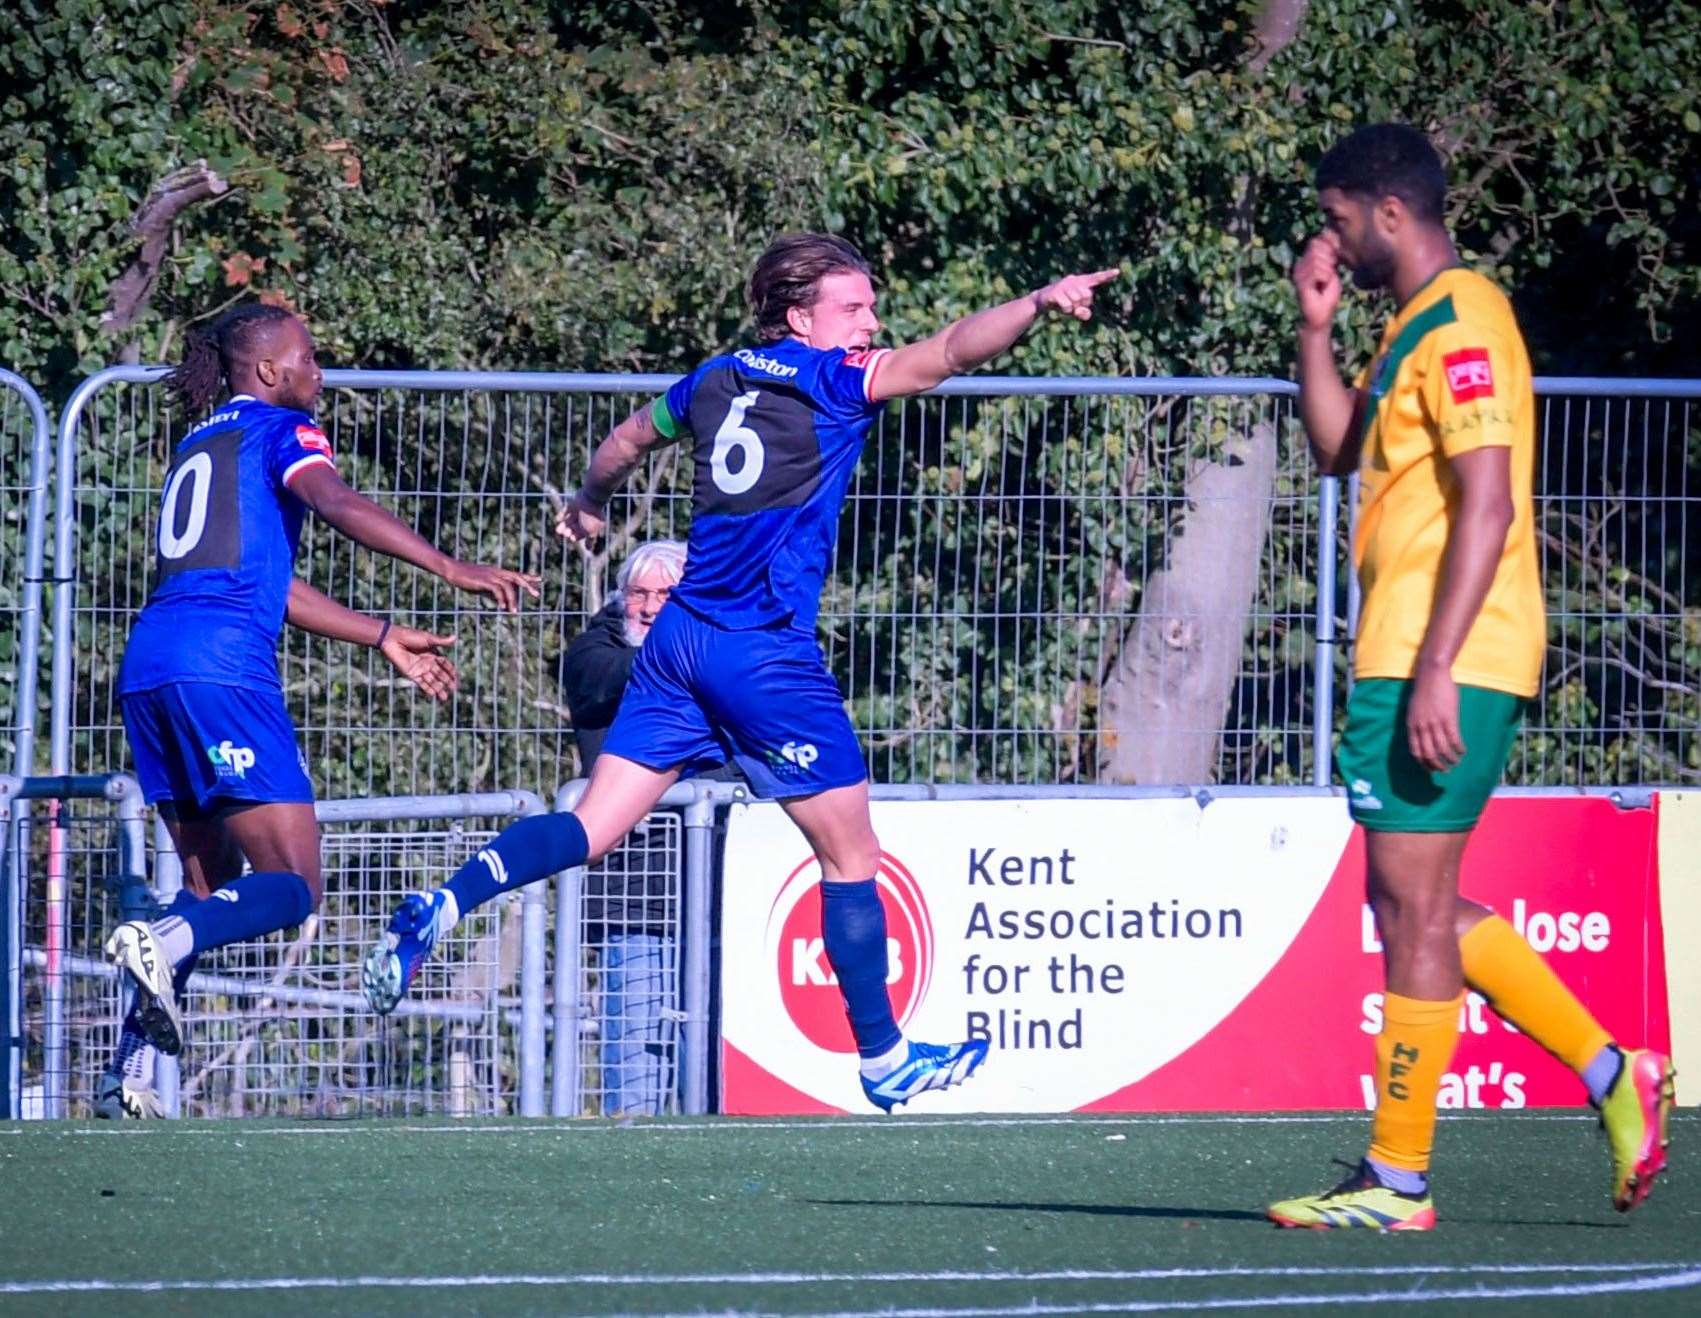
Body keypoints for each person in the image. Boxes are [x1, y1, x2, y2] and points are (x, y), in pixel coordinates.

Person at [366, 233, 1119, 1112]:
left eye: (870, 308)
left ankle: (444, 905)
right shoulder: (837, 380)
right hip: (760, 650)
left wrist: (591, 503)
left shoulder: (714, 379)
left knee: (592, 827)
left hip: (678, 643)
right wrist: (1035, 302)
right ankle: (882, 1056)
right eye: (853, 308)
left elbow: (621, 439)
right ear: (801, 316)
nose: (871, 322)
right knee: (850, 855)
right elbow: (952, 350)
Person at [1267, 124, 1674, 1229]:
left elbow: (1490, 502)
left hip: (1442, 652)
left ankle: (1399, 1178)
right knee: (1417, 904)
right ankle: (1607, 1072)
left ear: (1388, 212)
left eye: (1339, 215)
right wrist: (1315, 330)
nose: (1332, 235)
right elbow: (1337, 446)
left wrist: (1440, 665)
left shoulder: (1464, 321)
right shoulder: (1407, 323)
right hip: (1406, 649)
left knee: (1411, 908)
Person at [96, 302, 539, 1119]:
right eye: (308, 357)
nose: (319, 372)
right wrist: (447, 566)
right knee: (294, 883)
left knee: (210, 883)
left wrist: (379, 635)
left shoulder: (203, 443)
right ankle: (158, 942)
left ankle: (125, 1072)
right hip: (223, 670)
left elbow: (266, 582)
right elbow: (333, 501)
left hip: (153, 668)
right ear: (268, 371)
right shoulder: (278, 432)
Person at [558, 538, 689, 1115]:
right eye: (640, 592)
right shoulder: (596, 651)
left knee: (711, 1065)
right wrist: (692, 649)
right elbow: (605, 684)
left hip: (717, 894)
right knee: (636, 1072)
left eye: (667, 594)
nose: (652, 605)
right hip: (634, 896)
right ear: (621, 597)